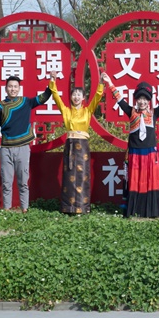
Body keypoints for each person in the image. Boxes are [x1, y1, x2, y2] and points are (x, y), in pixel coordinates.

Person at [102, 73, 159, 218]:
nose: (142, 101)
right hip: (135, 153)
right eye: (140, 98)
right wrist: (110, 83)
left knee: (150, 180)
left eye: (145, 99)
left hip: (150, 153)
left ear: (149, 101)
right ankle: (135, 210)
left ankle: (151, 211)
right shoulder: (131, 111)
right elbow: (119, 99)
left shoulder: (154, 113)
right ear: (136, 100)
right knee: (135, 180)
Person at [0, 76, 52, 213]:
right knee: (6, 182)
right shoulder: (0, 106)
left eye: (15, 87)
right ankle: (7, 211)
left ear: (19, 88)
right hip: (6, 149)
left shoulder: (25, 102)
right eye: (10, 86)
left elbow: (44, 97)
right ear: (6, 88)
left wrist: (52, 80)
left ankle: (25, 210)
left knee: (23, 182)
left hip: (23, 148)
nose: (13, 89)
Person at [49, 70, 104, 214]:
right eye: (74, 94)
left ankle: (82, 207)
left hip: (83, 146)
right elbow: (56, 97)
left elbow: (97, 98)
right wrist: (52, 80)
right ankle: (68, 208)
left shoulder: (88, 111)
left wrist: (101, 84)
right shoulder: (66, 111)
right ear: (71, 97)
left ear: (83, 98)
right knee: (69, 176)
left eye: (79, 94)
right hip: (71, 145)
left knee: (83, 176)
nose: (76, 96)